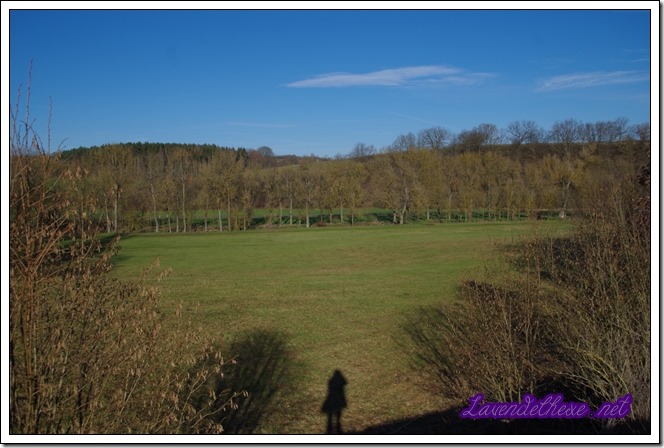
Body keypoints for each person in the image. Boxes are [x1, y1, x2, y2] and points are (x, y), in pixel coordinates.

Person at [321, 370, 347, 434]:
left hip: (332, 399)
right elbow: (345, 382)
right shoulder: (341, 382)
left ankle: (330, 429)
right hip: (339, 399)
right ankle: (337, 426)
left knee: (331, 415)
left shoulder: (331, 381)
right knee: (338, 413)